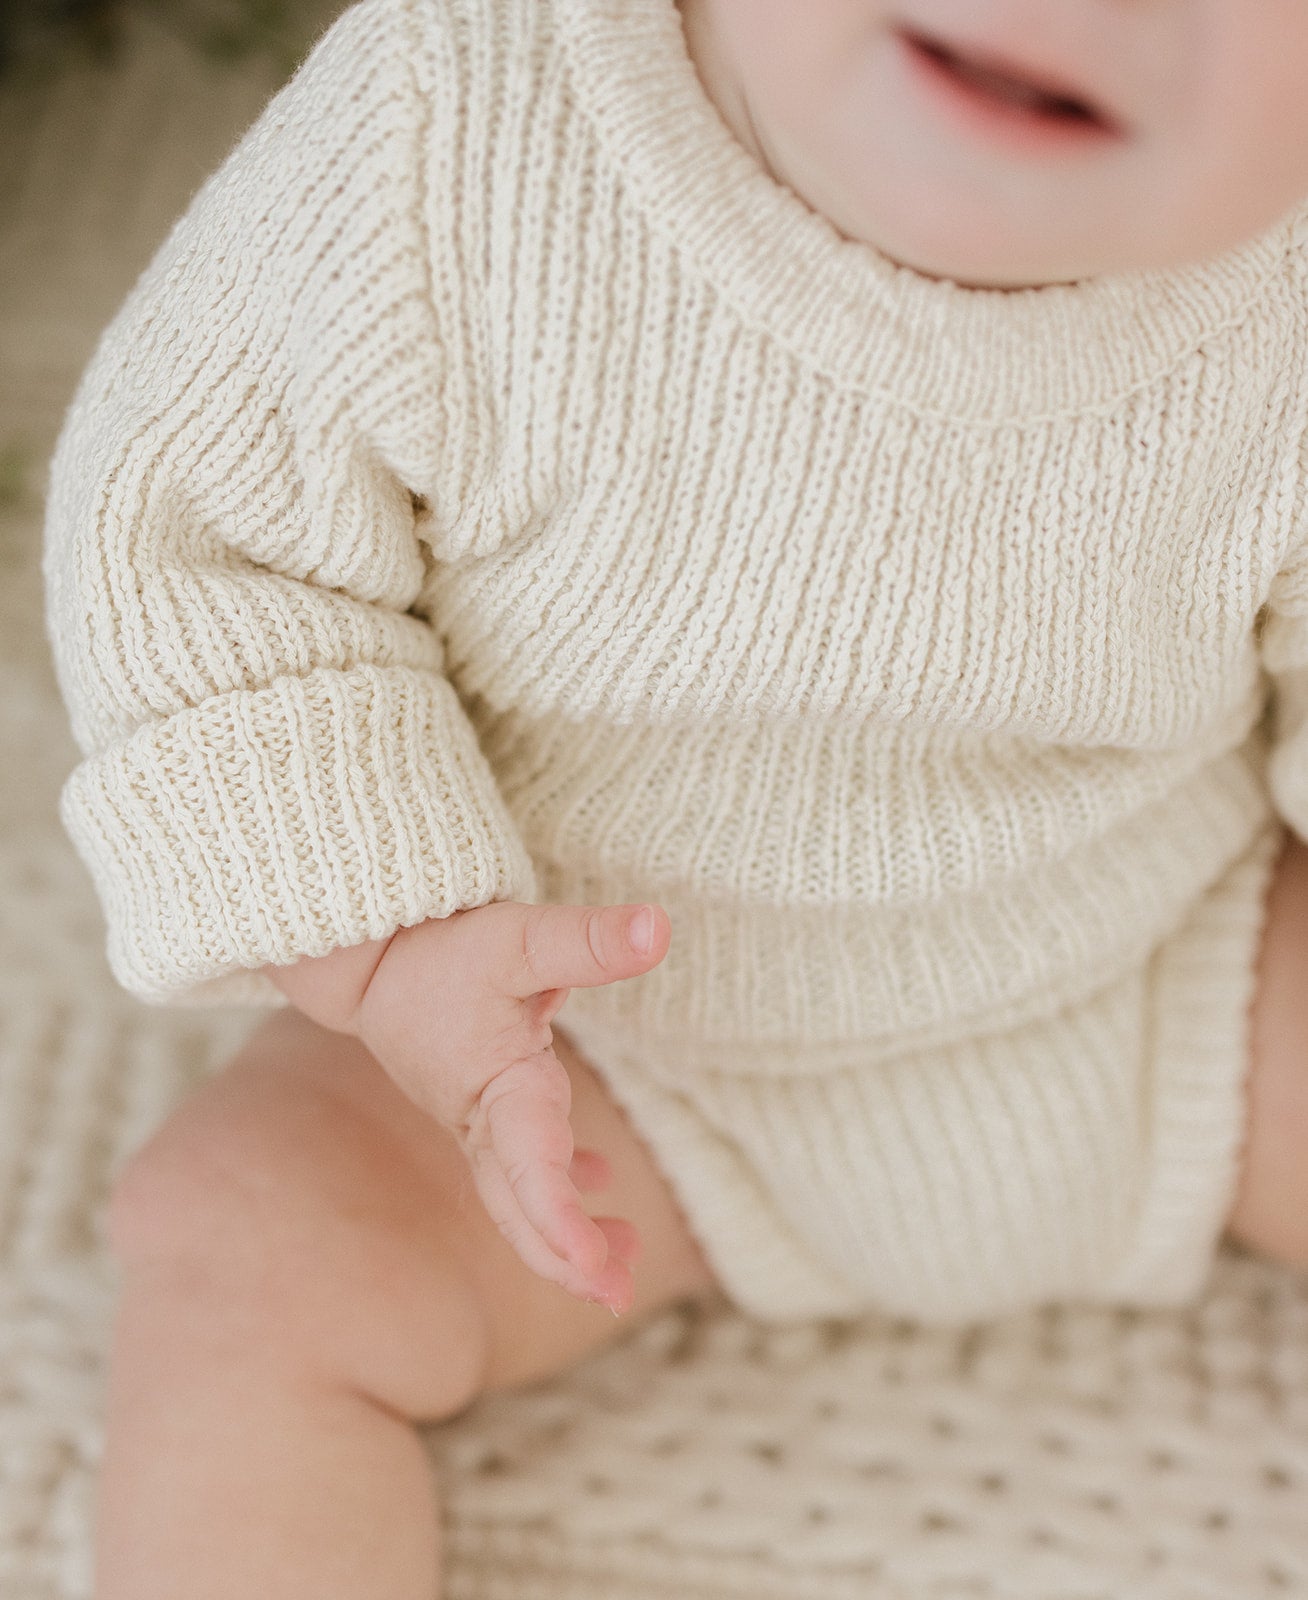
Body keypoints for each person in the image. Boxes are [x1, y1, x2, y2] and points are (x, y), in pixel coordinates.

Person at [40, 0, 1308, 1593]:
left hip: (1176, 972)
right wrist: (397, 937)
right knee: (248, 1249)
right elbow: (200, 543)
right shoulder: (454, 121)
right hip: (579, 1056)